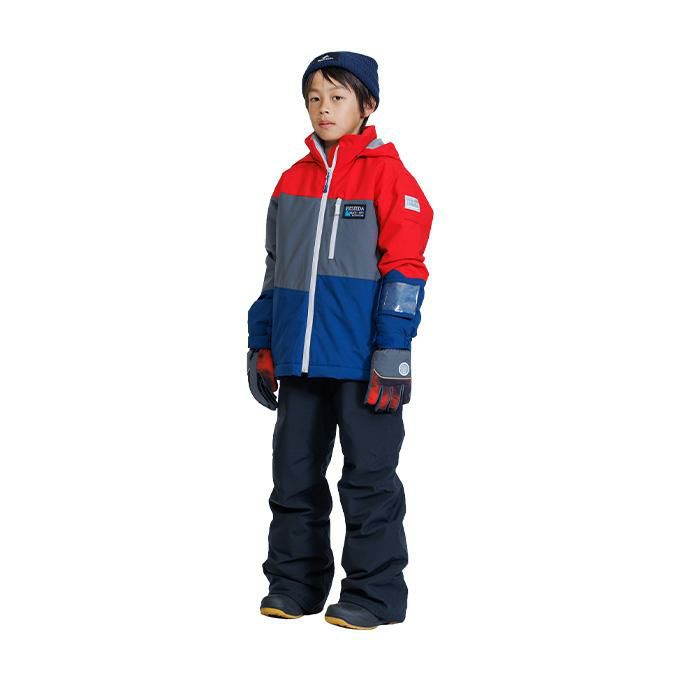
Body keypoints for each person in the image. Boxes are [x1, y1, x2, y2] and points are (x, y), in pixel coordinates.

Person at [246, 51, 433, 630]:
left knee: (368, 479)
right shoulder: (291, 181)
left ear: (366, 105)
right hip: (299, 363)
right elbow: (275, 270)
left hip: (362, 362)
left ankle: (375, 596)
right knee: (294, 475)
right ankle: (294, 584)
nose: (323, 109)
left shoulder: (390, 178)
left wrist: (393, 352)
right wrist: (262, 342)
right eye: (314, 98)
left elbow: (405, 270)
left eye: (337, 97)